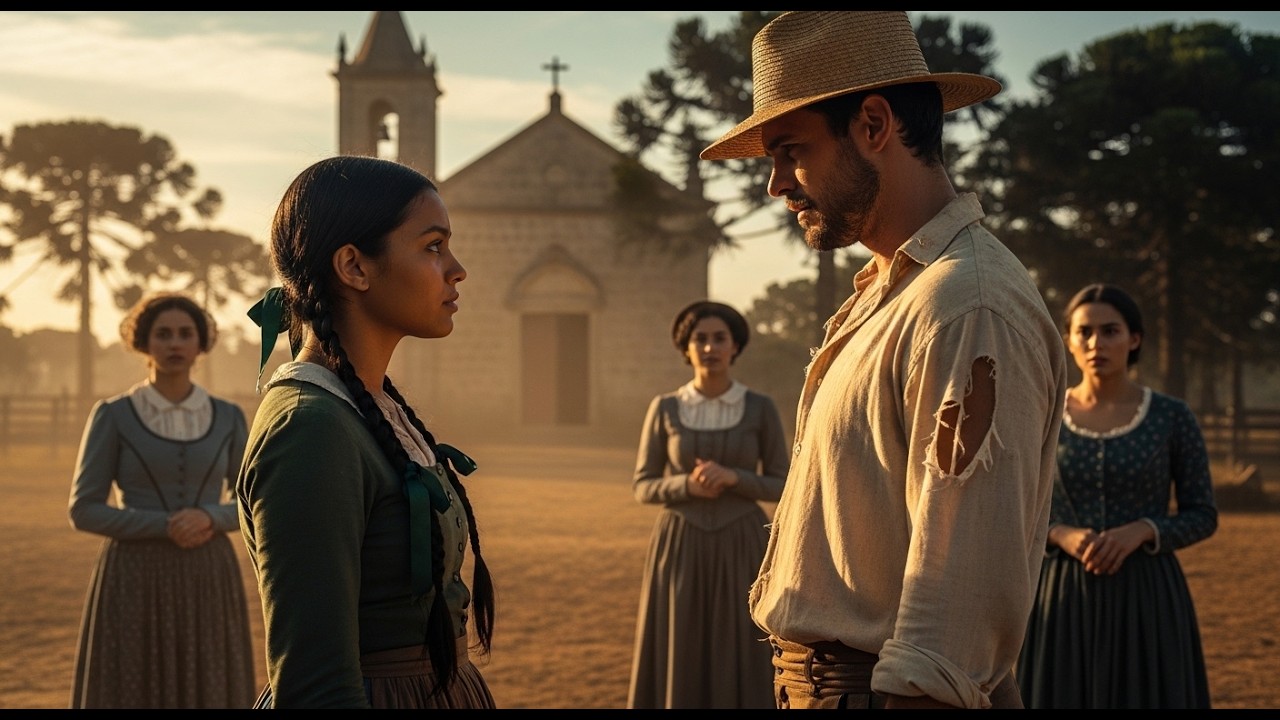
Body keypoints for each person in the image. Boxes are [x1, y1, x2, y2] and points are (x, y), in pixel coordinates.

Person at [699, 11, 1069, 709]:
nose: (775, 184)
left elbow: (956, 595)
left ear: (874, 125)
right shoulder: (895, 294)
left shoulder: (965, 305)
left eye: (789, 150)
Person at [236, 155, 496, 708]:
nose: (457, 269)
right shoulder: (308, 429)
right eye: (432, 246)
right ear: (354, 267)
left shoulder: (370, 403)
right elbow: (315, 683)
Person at [1016, 283, 1217, 709]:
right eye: (1084, 332)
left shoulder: (1171, 417)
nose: (1096, 343)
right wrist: (1060, 534)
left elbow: (1203, 514)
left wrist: (1144, 530)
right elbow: (1015, 506)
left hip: (1147, 596)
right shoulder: (1041, 413)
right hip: (1062, 595)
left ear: (1134, 339)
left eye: (1110, 331)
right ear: (1068, 340)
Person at [67, 292, 256, 708]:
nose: (175, 344)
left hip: (208, 574)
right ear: (144, 343)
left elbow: (251, 503)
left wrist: (209, 517)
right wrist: (164, 525)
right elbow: (83, 508)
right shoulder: (113, 415)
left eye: (185, 334)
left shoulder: (227, 416)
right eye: (163, 334)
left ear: (200, 344)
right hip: (134, 575)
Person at [627, 300, 790, 709]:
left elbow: (784, 484)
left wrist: (735, 478)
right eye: (700, 339)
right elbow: (643, 485)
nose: (709, 347)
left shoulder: (760, 408)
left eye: (719, 338)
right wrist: (686, 484)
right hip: (679, 546)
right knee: (679, 640)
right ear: (687, 347)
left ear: (735, 346)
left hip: (743, 545)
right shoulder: (665, 407)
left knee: (742, 640)